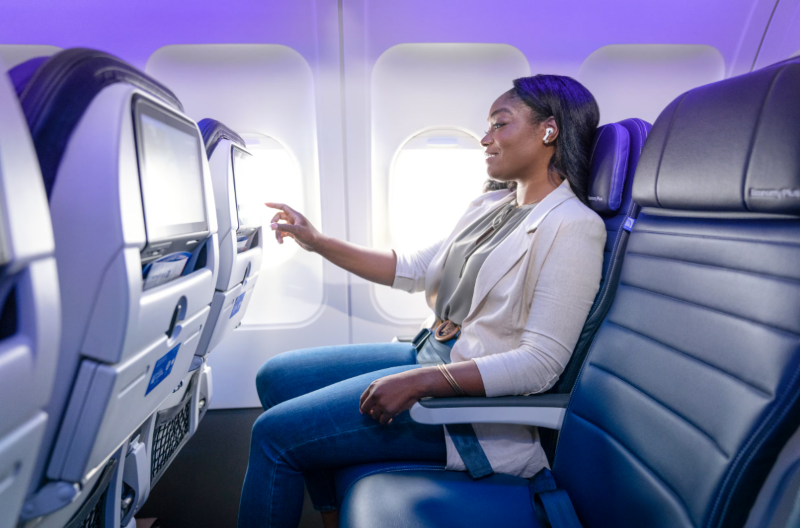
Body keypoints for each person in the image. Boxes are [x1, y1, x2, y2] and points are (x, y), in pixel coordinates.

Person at [238, 74, 606, 528]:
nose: (485, 139)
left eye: (499, 124)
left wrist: (422, 381)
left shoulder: (573, 227)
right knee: (276, 377)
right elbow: (413, 268)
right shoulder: (492, 206)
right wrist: (317, 242)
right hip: (429, 351)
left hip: (465, 408)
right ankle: (332, 515)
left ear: (548, 131)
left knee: (273, 436)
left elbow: (541, 363)